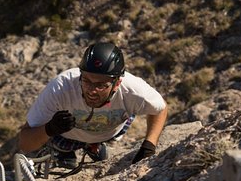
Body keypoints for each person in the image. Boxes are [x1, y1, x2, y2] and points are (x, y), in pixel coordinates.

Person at [18, 42, 168, 168]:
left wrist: (149, 145)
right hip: (67, 134)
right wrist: (50, 128)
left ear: (117, 83)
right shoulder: (60, 88)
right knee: (61, 147)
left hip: (110, 131)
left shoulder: (133, 91)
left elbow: (160, 109)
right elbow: (25, 142)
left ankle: (93, 145)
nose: (92, 91)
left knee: (125, 113)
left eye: (101, 85)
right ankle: (64, 149)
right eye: (87, 81)